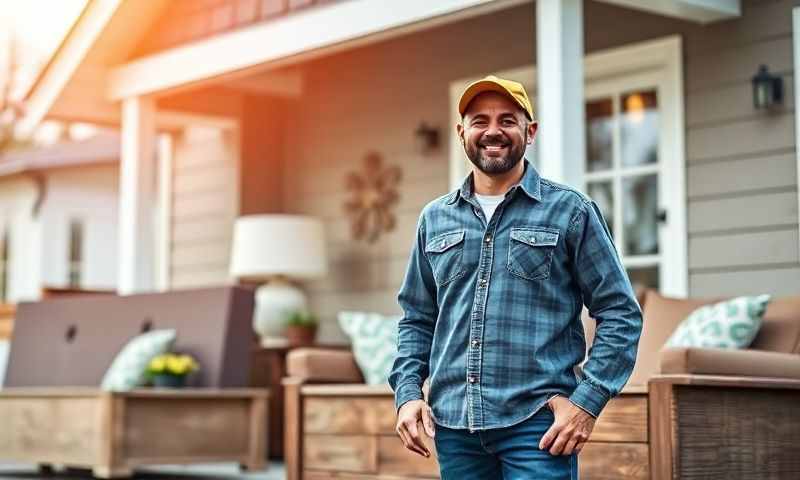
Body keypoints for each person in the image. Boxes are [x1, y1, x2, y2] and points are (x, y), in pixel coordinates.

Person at [388, 75, 643, 479]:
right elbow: (417, 318)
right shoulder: (434, 219)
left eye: (508, 120)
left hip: (537, 427)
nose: (493, 131)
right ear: (462, 133)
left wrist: (586, 402)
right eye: (479, 120)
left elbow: (620, 313)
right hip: (455, 427)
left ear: (530, 131)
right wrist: (406, 395)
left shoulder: (570, 211)